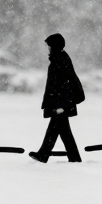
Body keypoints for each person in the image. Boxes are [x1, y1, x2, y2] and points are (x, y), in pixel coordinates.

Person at [29, 33, 85, 163]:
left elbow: (64, 86)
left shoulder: (60, 60)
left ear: (54, 46)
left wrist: (60, 106)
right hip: (60, 103)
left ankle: (72, 158)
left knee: (63, 131)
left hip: (61, 104)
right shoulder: (59, 58)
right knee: (56, 130)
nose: (47, 48)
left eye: (49, 45)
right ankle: (44, 154)